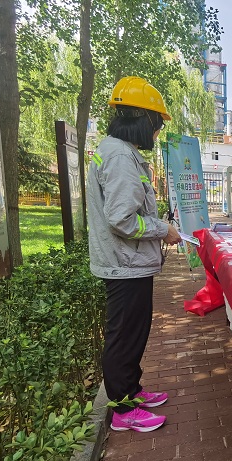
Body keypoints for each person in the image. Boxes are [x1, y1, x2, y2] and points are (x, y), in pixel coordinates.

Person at [87, 76, 181, 432]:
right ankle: (124, 412)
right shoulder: (120, 157)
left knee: (133, 334)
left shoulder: (117, 151)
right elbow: (122, 219)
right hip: (124, 265)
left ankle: (132, 391)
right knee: (125, 337)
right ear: (143, 120)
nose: (156, 135)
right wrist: (163, 231)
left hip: (129, 264)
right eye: (156, 126)